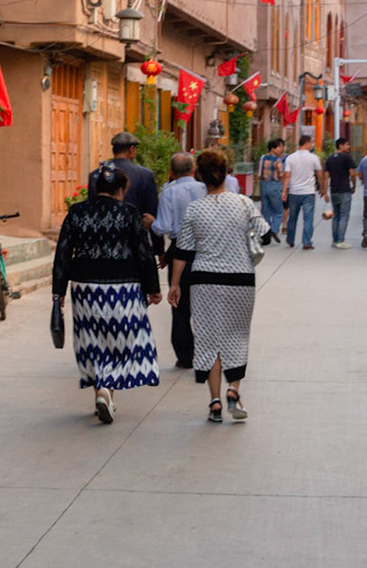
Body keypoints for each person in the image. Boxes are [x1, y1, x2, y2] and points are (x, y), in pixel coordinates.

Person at [53, 161, 164, 424]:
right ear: (121, 189)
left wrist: (58, 291)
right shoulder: (128, 213)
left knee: (93, 340)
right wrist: (153, 288)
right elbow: (143, 253)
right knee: (125, 342)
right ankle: (107, 389)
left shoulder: (77, 212)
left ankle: (102, 393)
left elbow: (63, 253)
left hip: (84, 287)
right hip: (122, 287)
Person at [169, 150, 260, 423]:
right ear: (227, 173)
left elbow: (182, 251)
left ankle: (215, 402)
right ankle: (234, 390)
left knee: (209, 339)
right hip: (240, 279)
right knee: (237, 336)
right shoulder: (244, 204)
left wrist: (175, 284)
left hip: (204, 281)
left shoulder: (195, 209)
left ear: (200, 176)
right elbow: (264, 233)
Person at [154, 153, 204, 369]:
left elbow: (163, 226)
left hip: (179, 249)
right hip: (206, 249)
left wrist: (151, 223)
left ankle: (185, 356)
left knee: (180, 305)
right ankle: (208, 353)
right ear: (193, 170)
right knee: (205, 304)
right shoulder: (205, 189)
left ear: (172, 172)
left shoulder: (169, 192)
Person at [109, 132, 158, 235]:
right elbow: (150, 213)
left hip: (105, 236)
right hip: (134, 235)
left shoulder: (96, 175)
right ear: (131, 149)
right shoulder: (145, 175)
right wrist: (158, 248)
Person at [282, 136, 325, 249]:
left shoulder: (290, 158)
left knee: (293, 217)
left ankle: (290, 239)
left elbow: (287, 176)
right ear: (307, 144)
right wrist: (322, 188)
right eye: (311, 143)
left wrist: (284, 190)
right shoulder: (314, 158)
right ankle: (306, 242)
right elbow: (320, 175)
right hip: (308, 192)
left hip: (294, 192)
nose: (311, 145)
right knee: (308, 218)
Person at [323, 136, 357, 249]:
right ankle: (341, 240)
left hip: (334, 190)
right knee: (344, 216)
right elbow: (352, 173)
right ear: (341, 146)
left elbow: (326, 176)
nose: (349, 147)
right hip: (344, 190)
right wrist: (354, 185)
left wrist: (325, 192)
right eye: (347, 144)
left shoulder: (330, 158)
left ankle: (335, 240)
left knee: (336, 216)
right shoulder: (347, 158)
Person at [256, 138, 286, 241]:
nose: (280, 150)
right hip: (274, 185)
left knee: (266, 211)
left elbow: (258, 174)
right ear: (273, 149)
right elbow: (281, 174)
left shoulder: (262, 158)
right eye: (278, 147)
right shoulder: (277, 160)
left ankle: (266, 232)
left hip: (263, 185)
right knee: (278, 211)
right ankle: (274, 229)